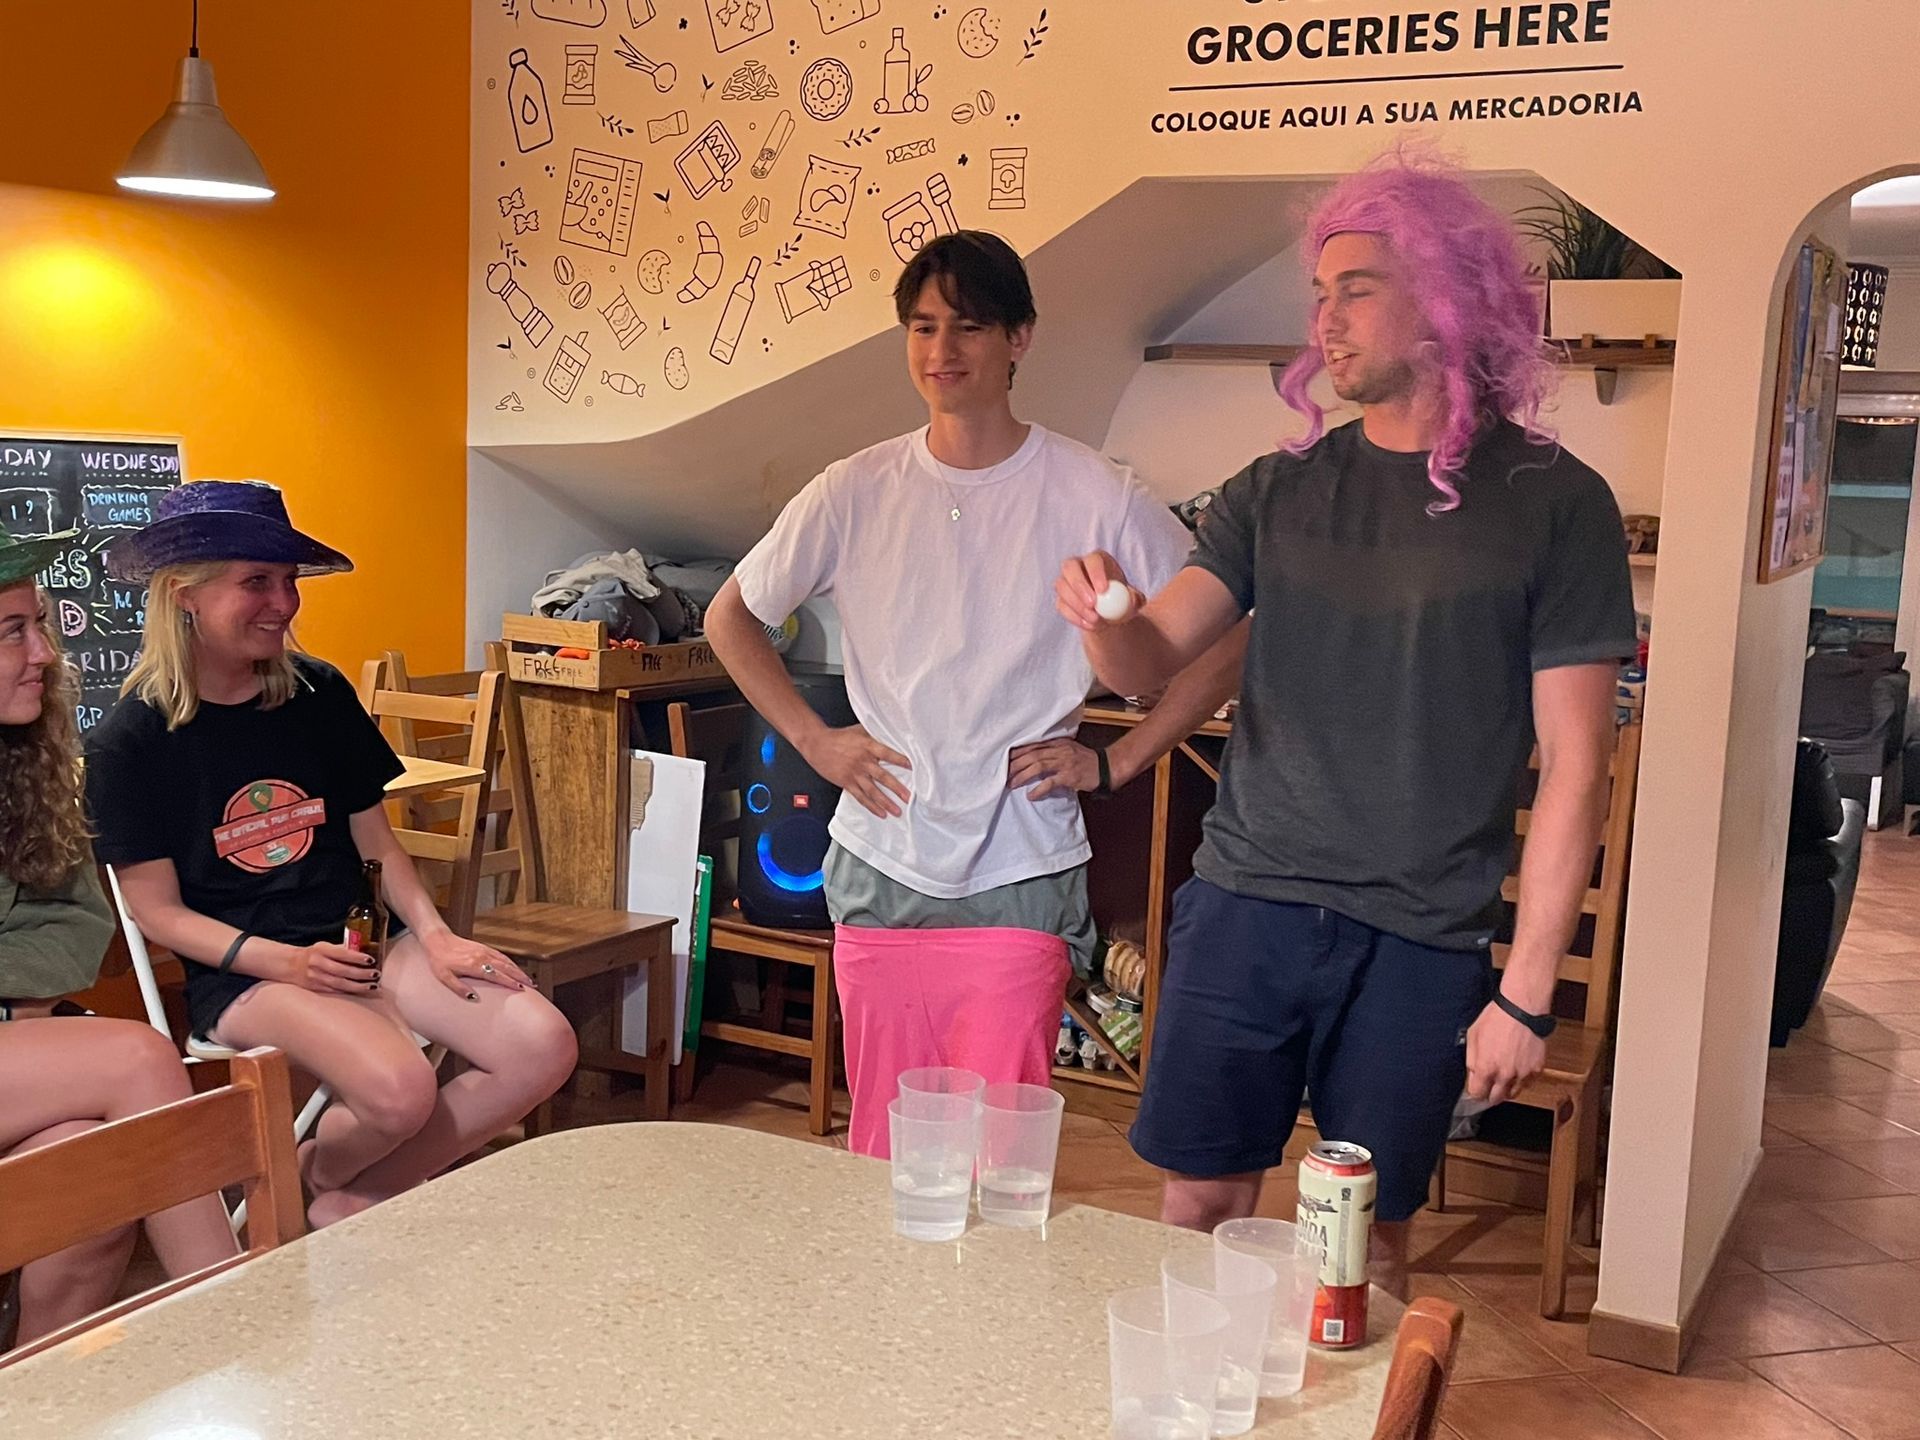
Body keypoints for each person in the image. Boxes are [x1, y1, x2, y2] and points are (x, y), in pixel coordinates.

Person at [1057, 155, 1636, 1294]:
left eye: (1356, 287)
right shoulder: (1274, 492)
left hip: (1420, 940)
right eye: (1318, 294)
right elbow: (1152, 659)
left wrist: (1525, 989)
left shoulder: (1557, 506)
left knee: (1360, 1247)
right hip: (1245, 908)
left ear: (1449, 293)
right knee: (1199, 1203)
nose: (1325, 320)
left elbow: (1578, 764)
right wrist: (1102, 617)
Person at [705, 231, 1230, 1156]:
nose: (941, 353)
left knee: (995, 1153)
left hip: (1021, 871)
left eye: (968, 328)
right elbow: (730, 618)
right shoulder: (854, 488)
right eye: (922, 327)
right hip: (879, 867)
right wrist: (819, 744)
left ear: (1020, 338)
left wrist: (1118, 760)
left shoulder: (1094, 492)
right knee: (885, 1151)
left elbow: (1231, 639)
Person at [85, 481, 578, 1230]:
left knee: (544, 1043)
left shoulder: (317, 692)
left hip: (364, 946)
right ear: (184, 594)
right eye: (257, 582)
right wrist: (288, 964)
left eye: (288, 582)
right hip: (248, 974)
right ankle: (320, 1173)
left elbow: (375, 839)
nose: (283, 603)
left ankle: (351, 1192)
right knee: (401, 1091)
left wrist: (436, 935)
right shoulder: (130, 742)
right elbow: (157, 914)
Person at [0, 522, 239, 1351]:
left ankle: (35, 1397)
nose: (44, 653)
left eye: (42, 625)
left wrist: (19, 1010)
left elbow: (77, 925)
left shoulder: (25, 761)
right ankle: (241, 1327)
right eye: (12, 631)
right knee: (139, 1057)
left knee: (91, 1167)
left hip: (21, 1047)